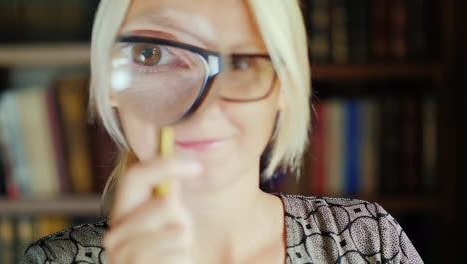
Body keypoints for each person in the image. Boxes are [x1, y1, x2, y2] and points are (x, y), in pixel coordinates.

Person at [23, 0, 423, 263]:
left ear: (285, 86)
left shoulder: (370, 244)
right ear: (109, 83)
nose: (205, 105)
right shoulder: (53, 260)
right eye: (153, 54)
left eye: (243, 61)